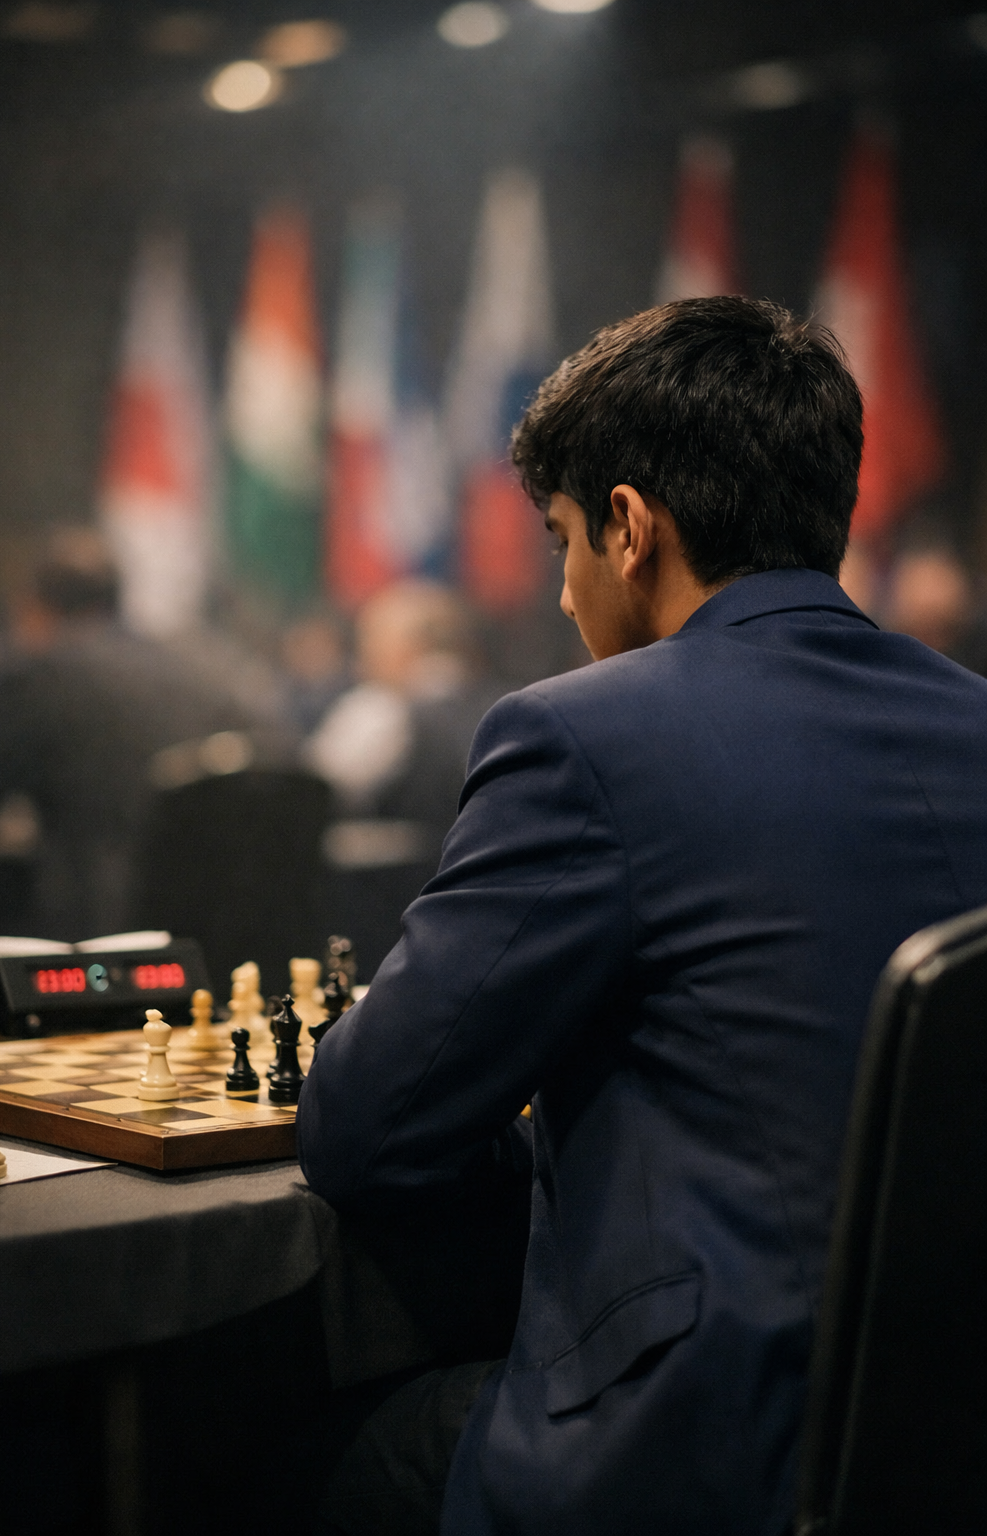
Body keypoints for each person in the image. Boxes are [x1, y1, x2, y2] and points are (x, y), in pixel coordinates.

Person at [297, 297, 987, 1536]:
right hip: (940, 1434)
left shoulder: (580, 733)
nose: (562, 595)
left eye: (559, 536)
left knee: (295, 1451)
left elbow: (363, 1124)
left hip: (711, 1449)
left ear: (627, 526)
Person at [0, 528, 284, 941]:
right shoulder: (199, 671)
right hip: (224, 932)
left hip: (98, 941)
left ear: (34, 611)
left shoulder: (39, 676)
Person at [305, 580, 505, 978]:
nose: (359, 661)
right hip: (497, 927)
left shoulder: (380, 712)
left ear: (409, 647)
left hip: (396, 939)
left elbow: (310, 794)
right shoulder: (512, 707)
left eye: (370, 641)